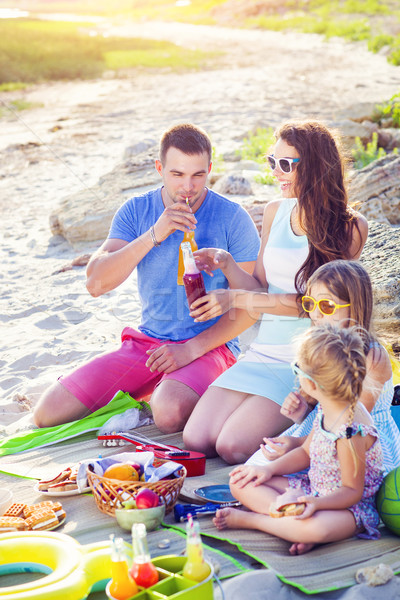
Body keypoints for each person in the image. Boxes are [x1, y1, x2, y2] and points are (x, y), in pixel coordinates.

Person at [33, 123, 260, 431]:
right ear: (159, 168)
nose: (188, 187)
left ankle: (168, 389)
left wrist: (189, 350)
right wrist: (155, 233)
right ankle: (155, 386)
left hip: (210, 346)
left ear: (209, 168)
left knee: (169, 411)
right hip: (148, 343)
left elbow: (252, 305)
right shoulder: (136, 210)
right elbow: (96, 283)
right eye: (177, 174)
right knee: (48, 412)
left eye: (198, 175)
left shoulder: (233, 218)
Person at [183, 120, 368, 463]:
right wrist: (228, 266)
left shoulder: (350, 227)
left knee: (231, 446)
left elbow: (317, 307)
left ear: (314, 165)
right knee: (196, 439)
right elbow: (261, 289)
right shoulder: (274, 212)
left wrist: (237, 299)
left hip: (304, 361)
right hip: (261, 351)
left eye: (286, 164)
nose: (276, 173)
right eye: (272, 162)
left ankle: (306, 414)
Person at [213, 324, 384, 555]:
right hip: (313, 488)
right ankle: (289, 521)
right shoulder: (328, 407)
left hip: (346, 507)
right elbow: (306, 452)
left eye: (297, 370)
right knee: (241, 482)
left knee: (318, 528)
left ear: (312, 384)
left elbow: (352, 491)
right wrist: (269, 470)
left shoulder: (350, 431)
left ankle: (254, 520)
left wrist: (315, 504)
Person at [248, 260, 400, 475]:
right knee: (254, 467)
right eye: (310, 304)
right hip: (321, 428)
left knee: (287, 474)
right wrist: (301, 414)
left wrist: (296, 443)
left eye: (327, 306)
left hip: (358, 439)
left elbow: (348, 420)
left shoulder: (372, 357)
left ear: (355, 306)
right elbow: (325, 410)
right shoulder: (320, 347)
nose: (316, 314)